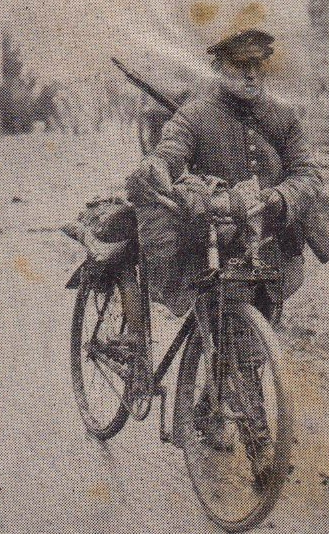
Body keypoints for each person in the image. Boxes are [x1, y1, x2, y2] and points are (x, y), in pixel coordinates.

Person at [126, 28, 323, 485]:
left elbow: (309, 173)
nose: (251, 75)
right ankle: (261, 452)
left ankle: (207, 409)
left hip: (271, 249)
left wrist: (281, 197)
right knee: (241, 345)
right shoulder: (195, 116)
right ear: (218, 67)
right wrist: (158, 167)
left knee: (251, 343)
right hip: (212, 246)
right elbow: (170, 152)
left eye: (257, 67)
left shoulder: (282, 117)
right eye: (240, 67)